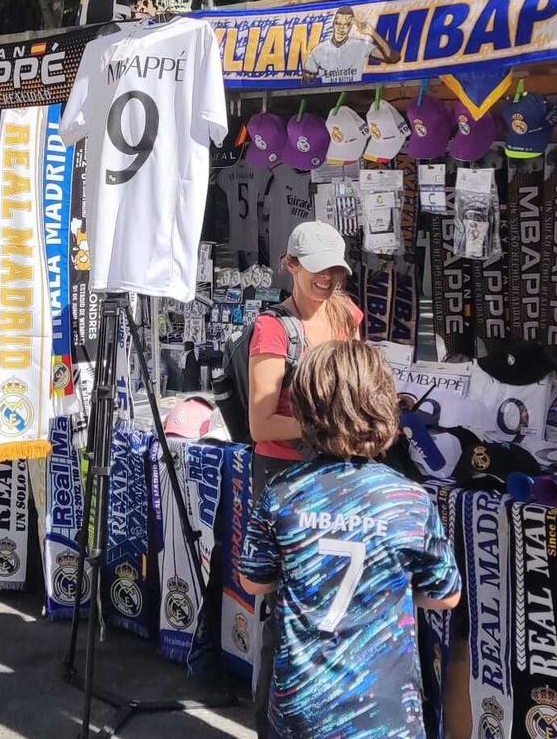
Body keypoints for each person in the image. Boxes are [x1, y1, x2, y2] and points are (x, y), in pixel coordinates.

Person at [239, 340, 461, 738]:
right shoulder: (408, 499)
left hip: (302, 703)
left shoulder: (281, 492)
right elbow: (445, 595)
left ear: (304, 410)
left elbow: (254, 581)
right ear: (383, 408)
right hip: (386, 706)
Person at [246, 220, 363, 733]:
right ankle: (272, 725)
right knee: (285, 612)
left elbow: (356, 386)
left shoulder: (346, 314)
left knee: (334, 609)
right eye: (318, 268)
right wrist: (331, 428)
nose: (329, 278)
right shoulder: (273, 328)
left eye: (336, 268)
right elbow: (261, 422)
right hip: (285, 477)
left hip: (337, 471)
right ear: (290, 265)